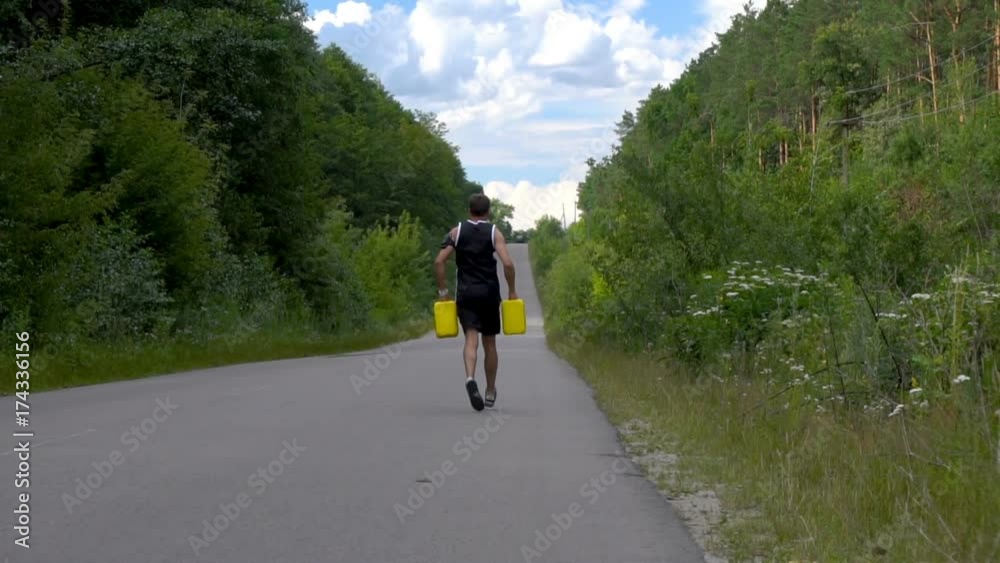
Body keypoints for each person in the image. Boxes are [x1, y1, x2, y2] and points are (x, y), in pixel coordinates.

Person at [434, 194, 517, 411]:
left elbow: (439, 261)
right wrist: (512, 290)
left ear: (469, 210)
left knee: (471, 339)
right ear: (488, 211)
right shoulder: (494, 232)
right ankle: (490, 391)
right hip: (489, 294)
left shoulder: (457, 231)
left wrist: (443, 291)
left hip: (466, 293)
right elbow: (507, 264)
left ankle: (470, 379)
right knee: (490, 344)